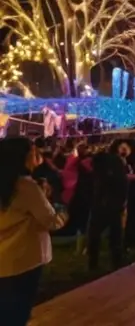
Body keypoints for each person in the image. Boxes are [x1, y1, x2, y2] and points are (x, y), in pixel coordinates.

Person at [0, 137, 68, 326]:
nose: (37, 156)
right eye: (33, 152)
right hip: (23, 260)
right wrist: (60, 209)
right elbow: (51, 221)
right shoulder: (26, 187)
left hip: (4, 260)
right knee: (17, 313)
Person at [87, 139, 130, 270]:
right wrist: (122, 202)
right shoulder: (117, 163)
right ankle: (116, 260)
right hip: (114, 203)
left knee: (94, 233)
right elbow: (123, 184)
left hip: (100, 201)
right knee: (115, 234)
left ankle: (93, 263)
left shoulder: (99, 161)